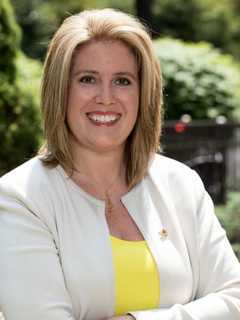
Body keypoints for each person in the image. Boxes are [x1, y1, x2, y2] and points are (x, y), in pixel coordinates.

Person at [0, 8, 240, 320]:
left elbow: (234, 298)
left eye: (123, 81)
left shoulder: (181, 183)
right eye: (87, 79)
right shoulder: (19, 199)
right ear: (60, 91)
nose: (106, 97)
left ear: (144, 94)